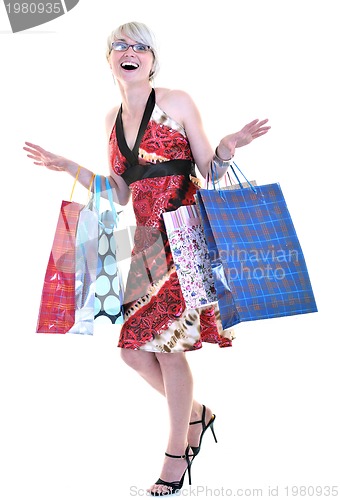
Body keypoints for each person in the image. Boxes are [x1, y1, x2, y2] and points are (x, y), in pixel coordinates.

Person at [24, 21, 270, 496]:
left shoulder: (176, 101)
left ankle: (175, 455)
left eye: (141, 46)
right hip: (146, 245)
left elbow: (208, 169)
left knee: (168, 349)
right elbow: (117, 192)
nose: (130, 52)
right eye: (121, 45)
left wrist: (227, 145)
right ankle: (196, 415)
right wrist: (66, 165)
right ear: (110, 59)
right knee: (133, 354)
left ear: (154, 60)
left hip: (184, 237)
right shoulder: (110, 119)